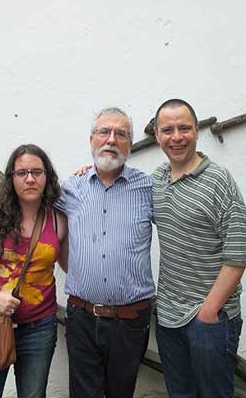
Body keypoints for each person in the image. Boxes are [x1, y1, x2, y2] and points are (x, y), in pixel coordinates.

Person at [152, 98, 246, 398]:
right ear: (157, 135)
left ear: (197, 131)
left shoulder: (219, 181)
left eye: (184, 128)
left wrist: (208, 312)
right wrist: (86, 172)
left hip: (209, 318)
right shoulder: (157, 180)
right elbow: (120, 190)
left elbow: (238, 255)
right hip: (168, 317)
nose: (176, 137)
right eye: (167, 130)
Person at [0, 144, 68, 398]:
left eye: (37, 172)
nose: (30, 179)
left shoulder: (58, 220)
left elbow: (70, 265)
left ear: (47, 177)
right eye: (22, 173)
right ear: (11, 178)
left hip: (40, 326)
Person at [57, 107, 155, 398]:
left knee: (121, 393)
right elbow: (27, 203)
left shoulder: (149, 188)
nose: (111, 139)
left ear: (130, 143)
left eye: (120, 134)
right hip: (81, 317)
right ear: (92, 140)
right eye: (104, 132)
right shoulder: (70, 188)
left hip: (130, 319)